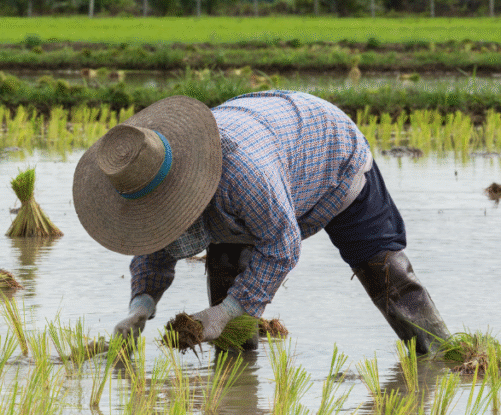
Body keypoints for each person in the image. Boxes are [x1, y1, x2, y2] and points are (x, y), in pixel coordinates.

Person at [73, 90, 450, 354]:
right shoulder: (148, 177)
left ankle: (441, 354)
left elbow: (282, 247)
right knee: (225, 268)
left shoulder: (242, 176)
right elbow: (154, 242)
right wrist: (140, 306)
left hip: (326, 150)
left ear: (186, 185)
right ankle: (236, 381)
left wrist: (226, 312)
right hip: (264, 146)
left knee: (382, 268)